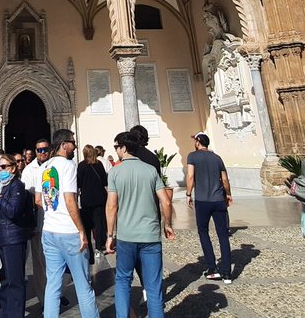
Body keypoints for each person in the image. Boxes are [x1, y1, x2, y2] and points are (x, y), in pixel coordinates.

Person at [106, 131, 175, 318]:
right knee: (153, 286)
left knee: (122, 280)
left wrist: (110, 235)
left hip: (126, 236)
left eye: (116, 147)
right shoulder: (150, 170)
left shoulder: (115, 172)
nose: (116, 151)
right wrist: (167, 224)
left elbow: (112, 206)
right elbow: (166, 202)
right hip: (150, 235)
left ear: (124, 148)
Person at [39, 128, 99, 318]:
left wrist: (54, 214)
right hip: (69, 233)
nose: (75, 146)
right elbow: (70, 200)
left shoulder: (45, 167)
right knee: (83, 285)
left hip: (49, 231)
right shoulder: (68, 166)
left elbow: (41, 200)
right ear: (64, 145)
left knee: (53, 285)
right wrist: (81, 230)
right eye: (72, 142)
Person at [185, 132, 234, 282]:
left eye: (195, 140)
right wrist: (228, 194)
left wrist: (188, 194)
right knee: (223, 235)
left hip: (202, 200)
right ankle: (227, 272)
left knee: (203, 232)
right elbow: (224, 179)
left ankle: (212, 268)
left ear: (198, 142)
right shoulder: (217, 157)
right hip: (218, 199)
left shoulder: (192, 156)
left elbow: (191, 176)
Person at [0, 153, 33, 318]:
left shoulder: (17, 186)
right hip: (1, 237)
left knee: (15, 280)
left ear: (14, 168)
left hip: (13, 238)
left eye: (5, 167)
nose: (1, 170)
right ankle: (5, 313)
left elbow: (13, 211)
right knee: (5, 279)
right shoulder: (0, 185)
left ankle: (15, 314)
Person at [20, 138, 52, 302]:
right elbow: (25, 196)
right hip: (38, 222)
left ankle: (55, 293)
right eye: (39, 150)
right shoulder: (29, 170)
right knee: (40, 263)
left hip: (56, 222)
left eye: (45, 149)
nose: (42, 152)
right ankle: (44, 298)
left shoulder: (56, 166)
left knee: (56, 262)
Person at [77, 144, 108, 265]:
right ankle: (99, 247)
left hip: (86, 199)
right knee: (99, 224)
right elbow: (104, 181)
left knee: (87, 226)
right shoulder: (99, 165)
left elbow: (78, 183)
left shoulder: (81, 166)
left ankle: (89, 248)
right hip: (99, 198)